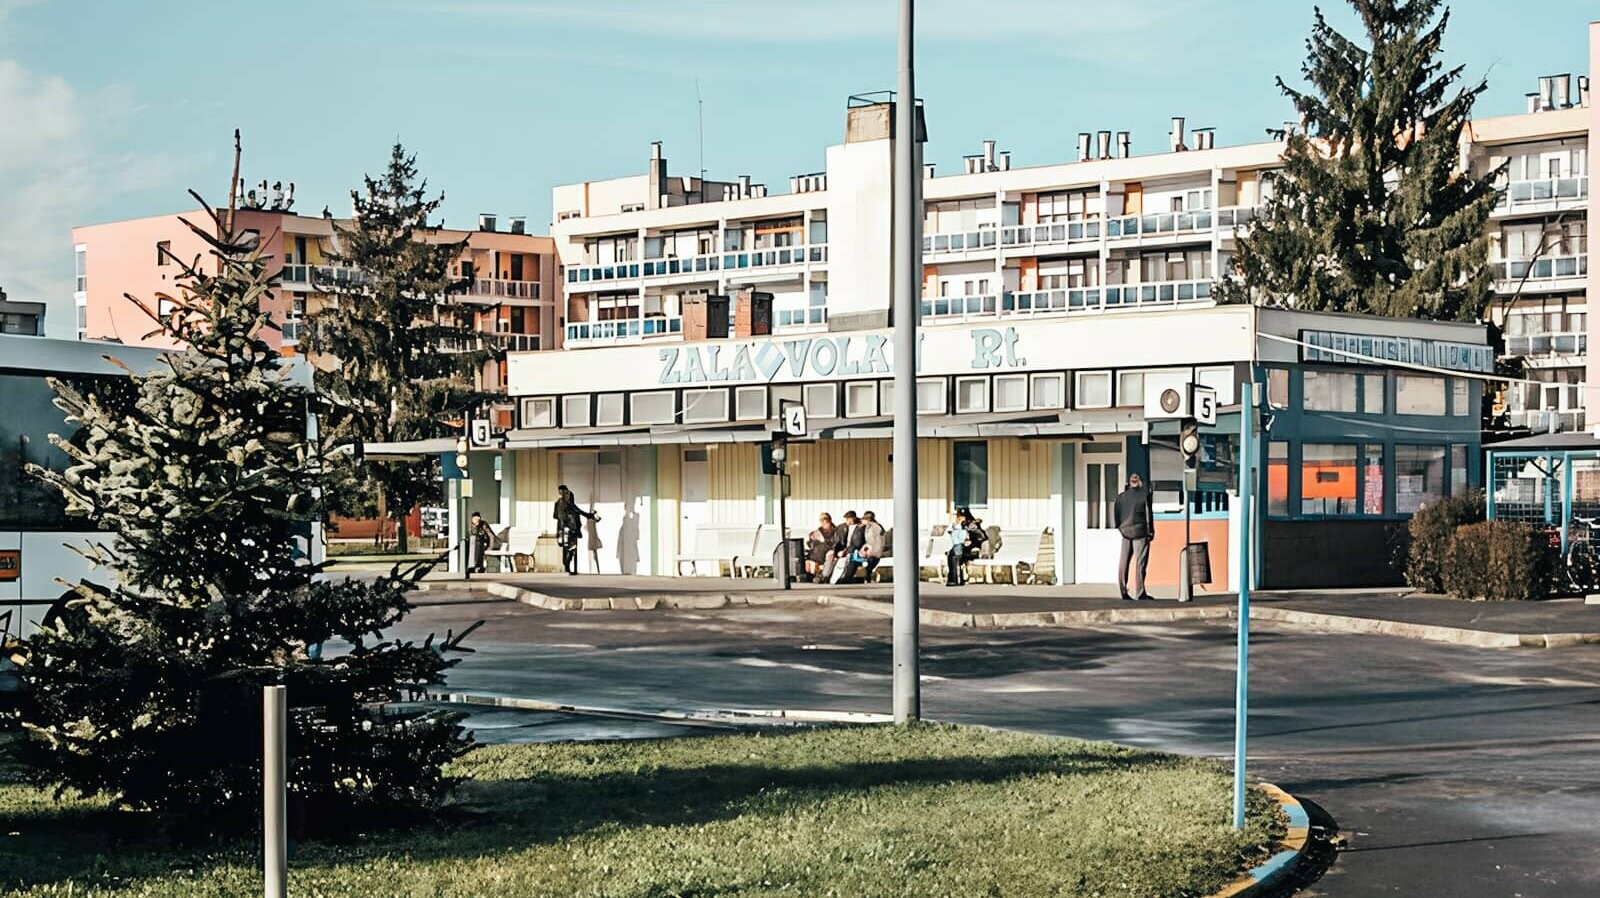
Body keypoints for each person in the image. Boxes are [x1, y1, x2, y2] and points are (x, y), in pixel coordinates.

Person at [1114, 473, 1155, 601]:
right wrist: (1151, 532)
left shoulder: (1121, 497)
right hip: (1140, 532)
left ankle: (1123, 590)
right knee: (1140, 563)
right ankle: (1140, 592)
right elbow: (1148, 516)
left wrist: (1120, 528)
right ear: (1140, 482)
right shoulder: (1144, 496)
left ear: (1128, 482)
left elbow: (1116, 514)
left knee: (1123, 562)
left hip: (1125, 532)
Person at [553, 484, 600, 575]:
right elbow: (580, 512)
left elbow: (555, 516)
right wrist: (590, 516)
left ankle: (568, 566)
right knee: (571, 548)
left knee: (567, 548)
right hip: (571, 529)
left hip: (563, 529)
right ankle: (568, 565)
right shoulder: (569, 505)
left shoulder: (558, 503)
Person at [839, 510, 886, 583]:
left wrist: (865, 550)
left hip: (873, 553)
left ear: (867, 520)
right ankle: (851, 578)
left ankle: (848, 578)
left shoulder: (873, 528)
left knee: (854, 560)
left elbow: (873, 543)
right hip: (871, 552)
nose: (861, 522)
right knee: (854, 559)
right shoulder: (871, 527)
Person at [945, 507, 987, 586]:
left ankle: (953, 579)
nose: (957, 518)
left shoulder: (969, 525)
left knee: (954, 555)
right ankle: (956, 578)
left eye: (959, 516)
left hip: (971, 550)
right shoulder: (963, 525)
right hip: (964, 548)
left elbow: (977, 538)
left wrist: (970, 542)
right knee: (954, 553)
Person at [806, 513, 842, 584]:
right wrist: (812, 540)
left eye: (825, 521)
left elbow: (835, 543)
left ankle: (823, 576)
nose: (824, 523)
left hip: (826, 551)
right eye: (822, 521)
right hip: (816, 553)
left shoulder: (835, 531)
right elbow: (810, 543)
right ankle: (814, 576)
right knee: (810, 558)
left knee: (828, 555)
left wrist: (823, 541)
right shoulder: (818, 531)